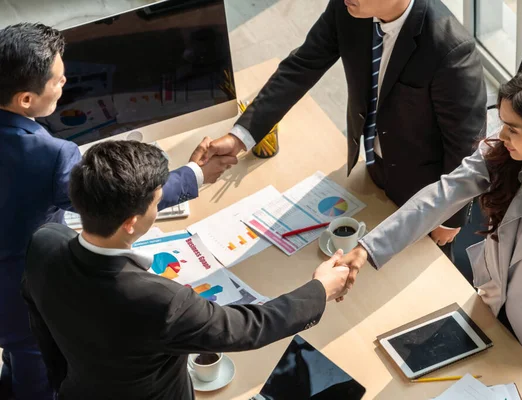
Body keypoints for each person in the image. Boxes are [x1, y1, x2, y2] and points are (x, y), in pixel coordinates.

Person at [0, 23, 234, 399]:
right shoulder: (49, 155)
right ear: (26, 99)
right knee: (35, 375)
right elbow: (112, 197)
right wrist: (196, 174)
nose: (65, 84)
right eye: (58, 81)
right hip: (18, 296)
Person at [339, 65, 522, 399]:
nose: (502, 136)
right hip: (490, 316)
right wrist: (366, 249)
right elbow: (440, 197)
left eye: (513, 129)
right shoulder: (508, 157)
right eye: (503, 122)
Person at [21, 140, 350, 400]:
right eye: (156, 199)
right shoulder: (162, 301)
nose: (160, 199)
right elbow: (248, 328)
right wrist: (320, 289)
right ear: (132, 222)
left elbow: (43, 334)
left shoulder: (44, 243)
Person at [196, 0, 487, 259]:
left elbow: (465, 146)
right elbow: (301, 66)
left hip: (426, 200)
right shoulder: (347, 8)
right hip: (371, 174)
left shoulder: (450, 48)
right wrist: (240, 137)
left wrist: (449, 219)